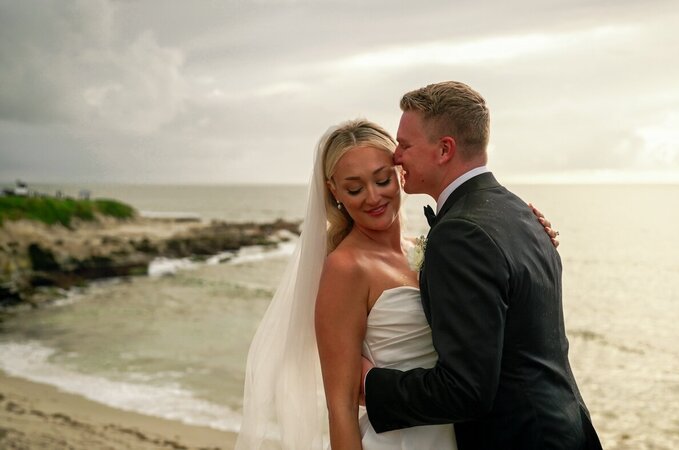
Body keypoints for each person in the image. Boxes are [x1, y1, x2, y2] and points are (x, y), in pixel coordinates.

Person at [235, 118, 559, 449]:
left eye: (382, 179)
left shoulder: (431, 249)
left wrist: (525, 241)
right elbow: (341, 408)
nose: (373, 197)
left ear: (399, 172)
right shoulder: (345, 268)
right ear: (334, 191)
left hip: (460, 434)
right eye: (355, 188)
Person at [362, 81, 602, 449]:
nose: (396, 156)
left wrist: (372, 386)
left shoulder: (460, 233)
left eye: (405, 145)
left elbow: (466, 391)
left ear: (444, 150)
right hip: (567, 429)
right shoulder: (518, 210)